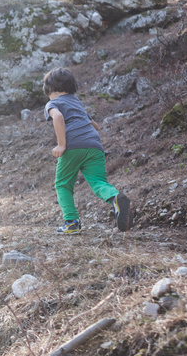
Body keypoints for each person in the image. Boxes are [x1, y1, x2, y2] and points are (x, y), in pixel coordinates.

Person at [43, 67, 131, 234]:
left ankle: (71, 223)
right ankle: (115, 197)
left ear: (50, 90)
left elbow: (59, 117)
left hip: (73, 146)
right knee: (98, 182)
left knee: (63, 184)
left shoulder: (53, 103)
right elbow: (94, 125)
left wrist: (61, 145)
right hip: (94, 145)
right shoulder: (76, 102)